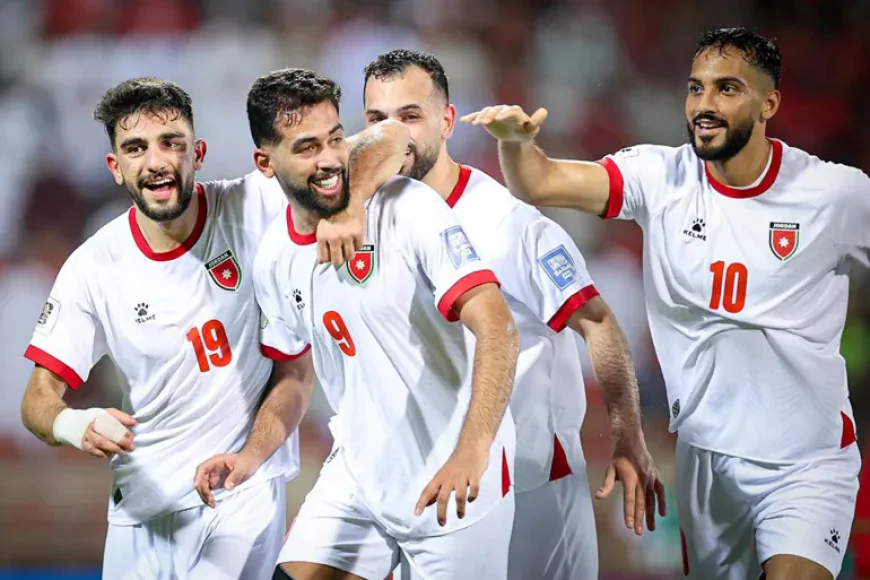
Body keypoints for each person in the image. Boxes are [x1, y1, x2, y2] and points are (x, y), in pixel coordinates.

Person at [462, 26, 870, 580]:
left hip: (807, 460)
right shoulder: (660, 176)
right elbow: (540, 182)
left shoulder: (835, 194)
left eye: (727, 89)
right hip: (705, 460)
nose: (704, 104)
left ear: (769, 104)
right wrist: (515, 142)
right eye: (696, 88)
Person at [18, 77, 401, 580]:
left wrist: (348, 207)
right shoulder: (93, 266)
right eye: (136, 148)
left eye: (170, 142)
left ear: (197, 152)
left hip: (239, 492)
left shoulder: (254, 204)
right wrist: (75, 424)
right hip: (140, 512)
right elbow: (36, 401)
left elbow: (391, 138)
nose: (156, 161)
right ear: (115, 167)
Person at [324, 49, 662, 580]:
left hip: (532, 488)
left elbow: (597, 322)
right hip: (422, 489)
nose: (392, 134)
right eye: (377, 119)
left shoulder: (506, 223)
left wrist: (628, 435)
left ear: (448, 122)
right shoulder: (363, 219)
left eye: (410, 116)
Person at [234, 67, 519, 580]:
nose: (328, 160)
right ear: (265, 163)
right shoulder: (274, 257)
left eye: (335, 139)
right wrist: (251, 455)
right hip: (358, 477)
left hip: (453, 476)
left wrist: (473, 449)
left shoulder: (408, 207)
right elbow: (294, 371)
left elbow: (498, 326)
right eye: (306, 148)